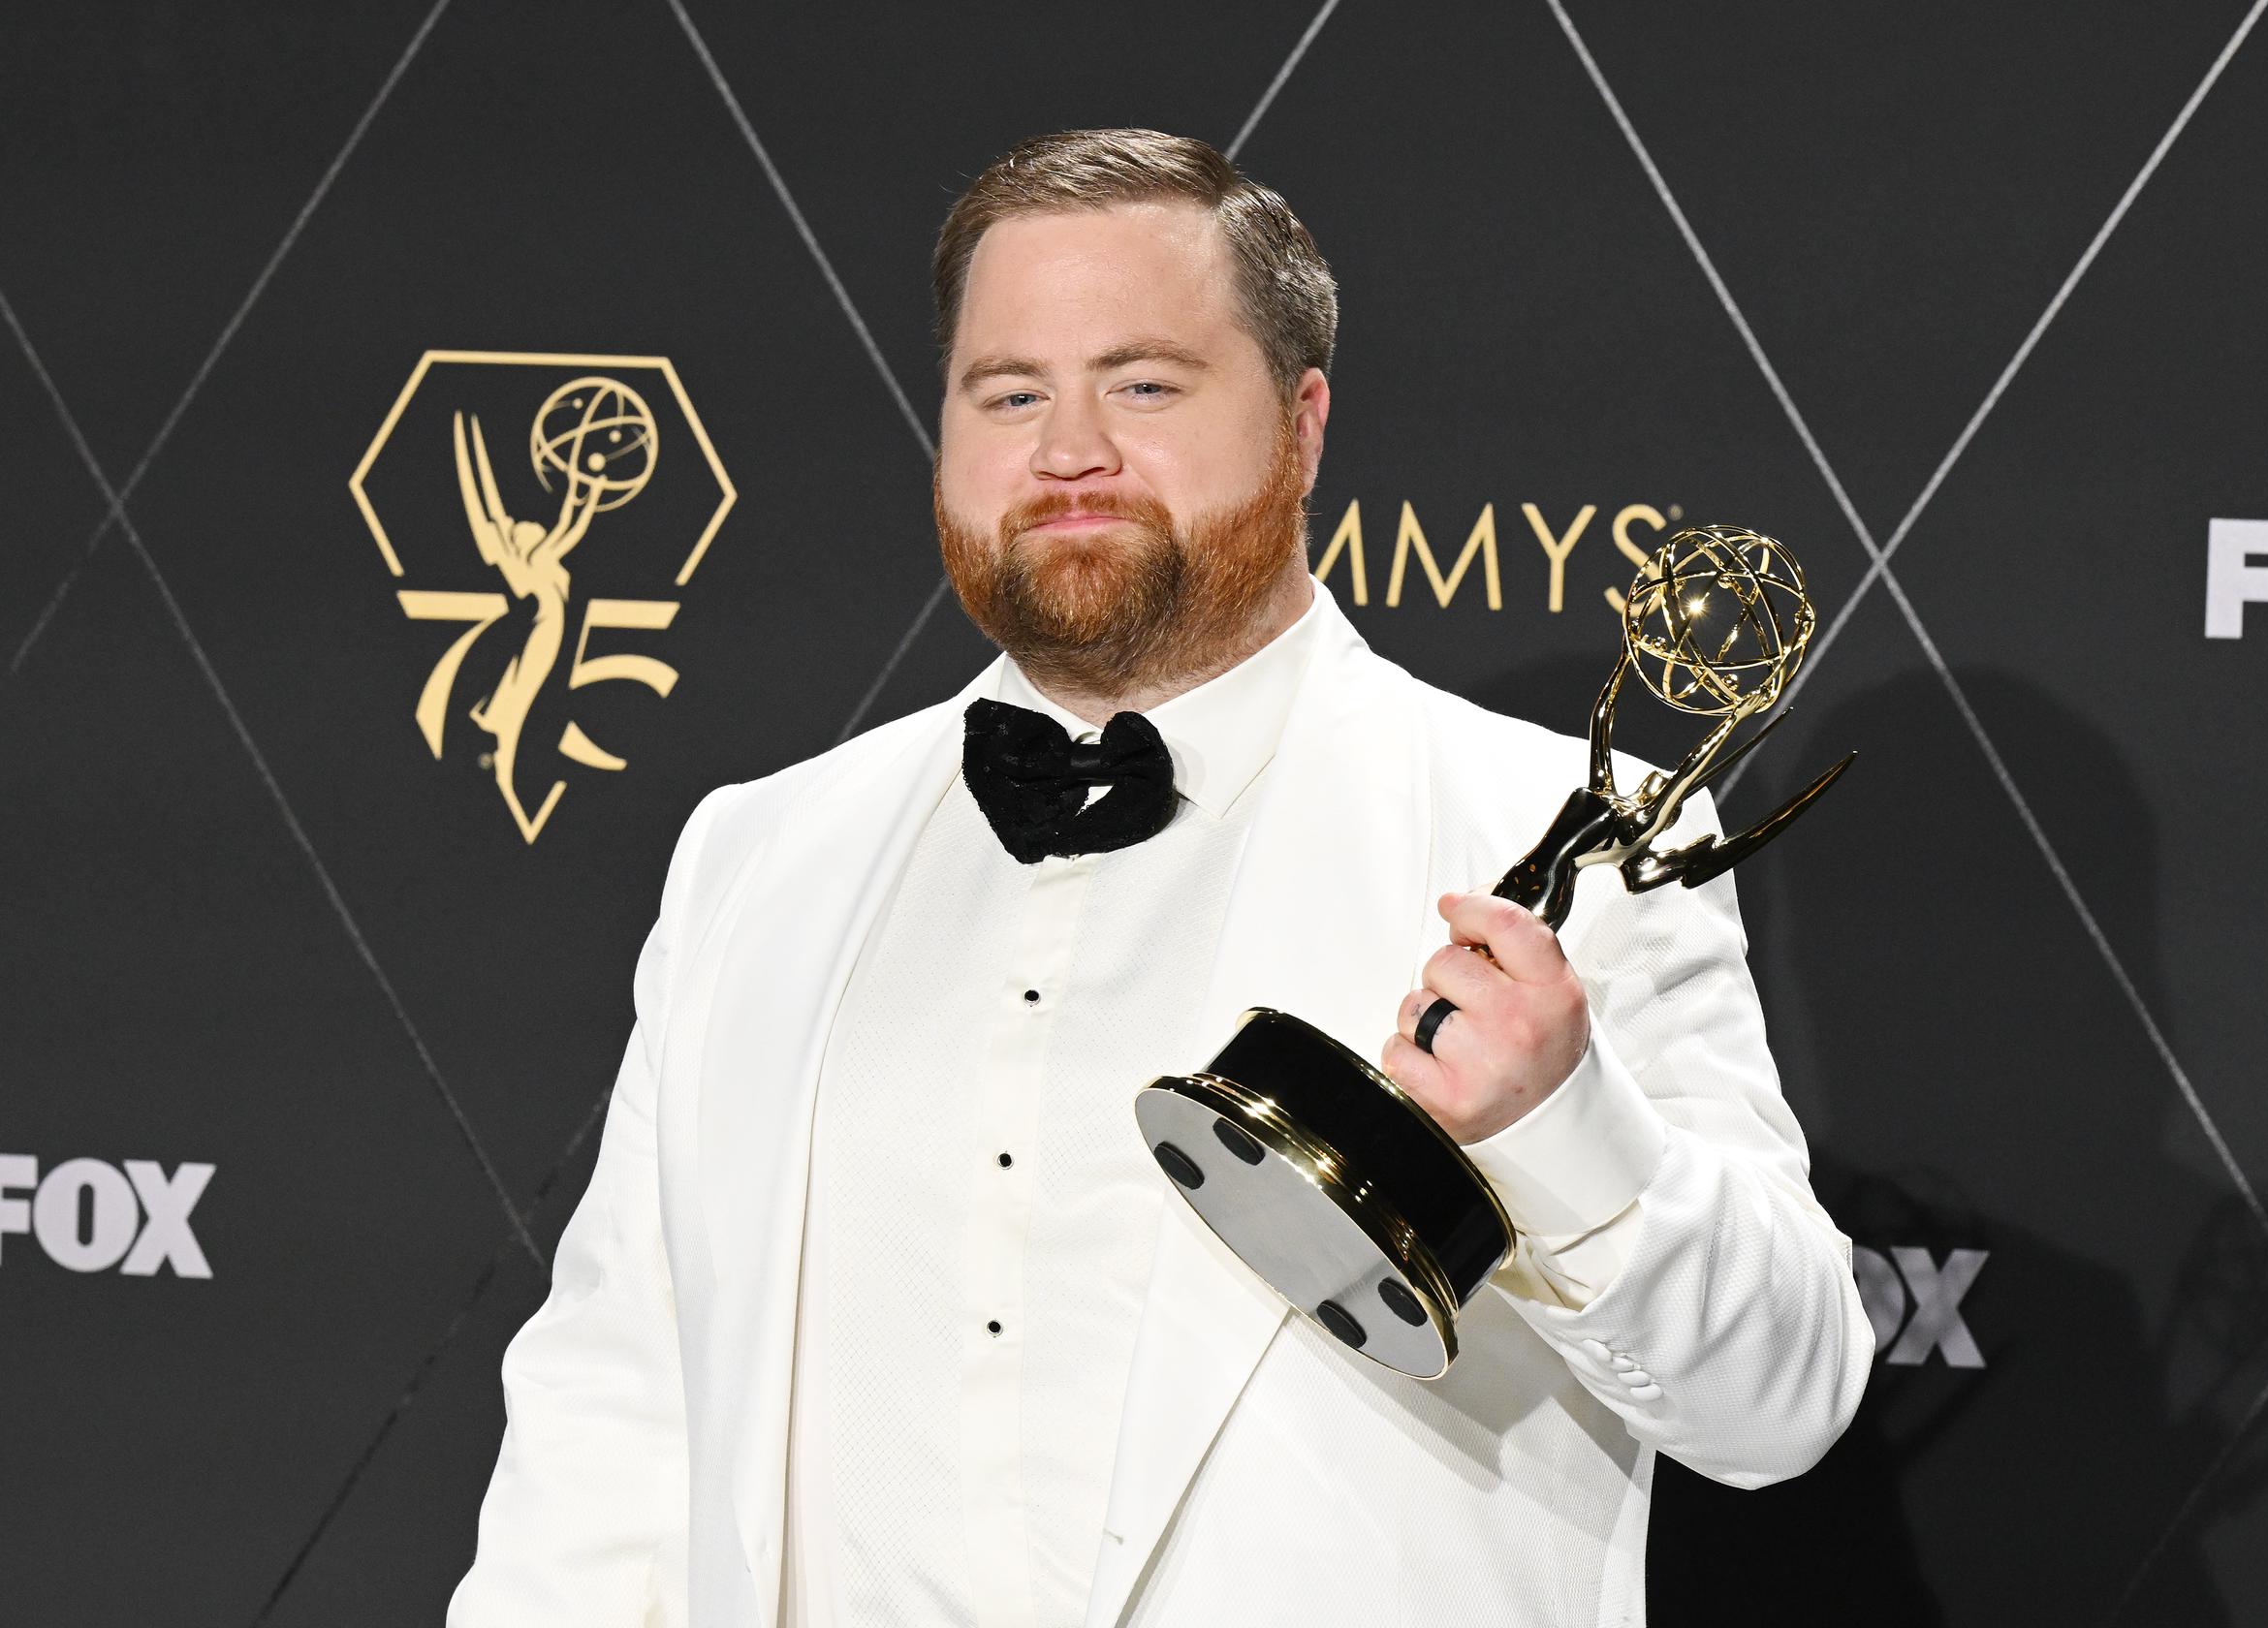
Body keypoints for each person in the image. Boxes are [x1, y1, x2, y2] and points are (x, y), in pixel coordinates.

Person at [447, 127, 1874, 1628]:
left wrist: (1568, 1130)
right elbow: (616, 1407)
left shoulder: (1555, 835)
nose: (1069, 451)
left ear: (1304, 425)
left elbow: (1783, 1403)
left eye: (1143, 384)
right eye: (1010, 394)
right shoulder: (764, 853)